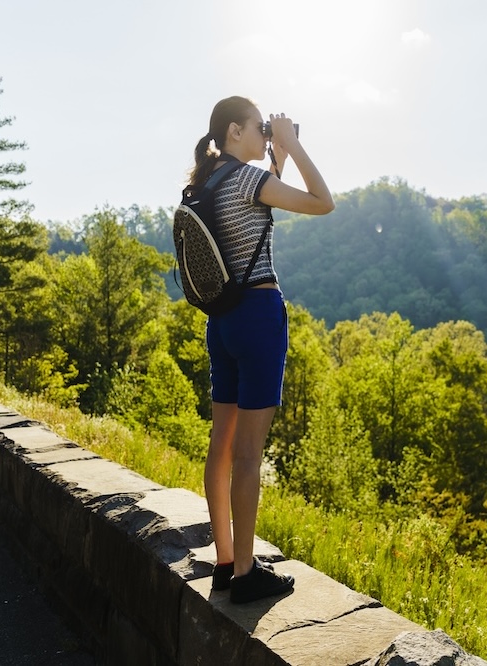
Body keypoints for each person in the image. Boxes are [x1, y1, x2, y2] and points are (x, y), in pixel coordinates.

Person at [189, 96, 334, 603]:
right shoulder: (248, 181)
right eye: (257, 127)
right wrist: (293, 142)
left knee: (221, 445)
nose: (264, 134)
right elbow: (322, 201)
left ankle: (227, 561)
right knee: (249, 454)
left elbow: (262, 186)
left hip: (222, 321)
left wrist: (277, 151)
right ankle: (249, 575)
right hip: (259, 316)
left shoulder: (207, 182)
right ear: (233, 131)